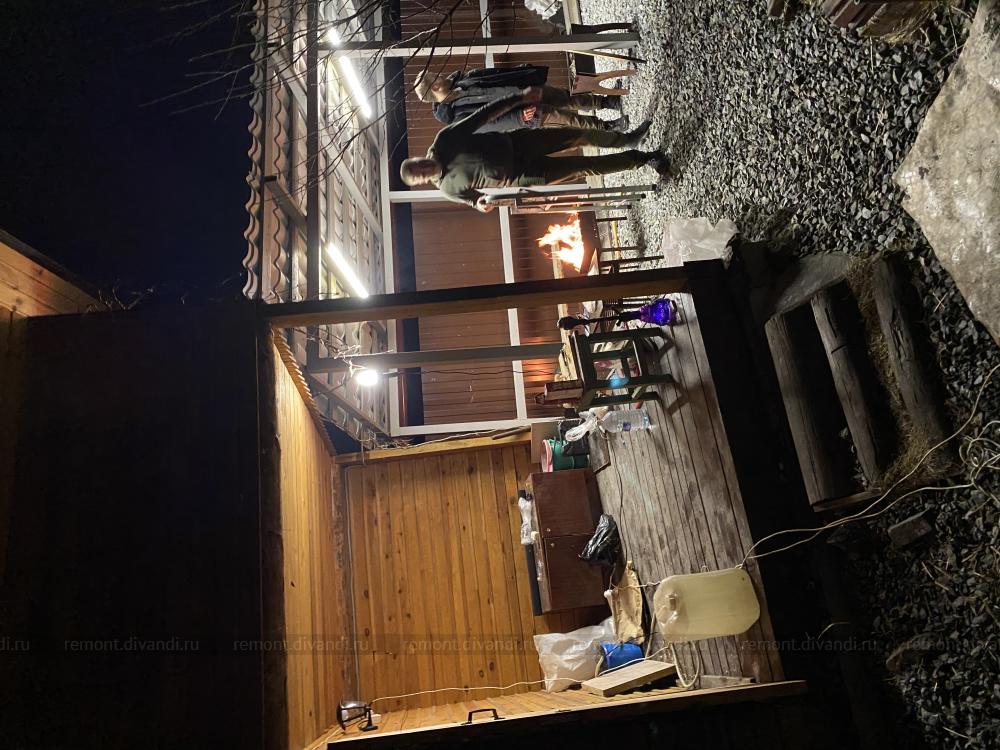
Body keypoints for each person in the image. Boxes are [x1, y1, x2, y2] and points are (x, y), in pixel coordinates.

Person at [400, 87, 669, 212]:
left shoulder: (445, 140)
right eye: (421, 175)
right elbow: (473, 200)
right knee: (584, 168)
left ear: (419, 158)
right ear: (422, 182)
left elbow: (483, 116)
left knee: (576, 136)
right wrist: (480, 204)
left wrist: (517, 98)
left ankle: (627, 140)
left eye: (419, 164)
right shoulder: (448, 189)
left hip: (519, 143)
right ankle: (644, 159)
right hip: (522, 175)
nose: (425, 170)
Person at [415, 64, 626, 134]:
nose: (440, 74)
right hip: (523, 112)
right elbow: (489, 124)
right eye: (436, 76)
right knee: (566, 118)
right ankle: (607, 127)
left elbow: (496, 76)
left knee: (564, 97)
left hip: (524, 90)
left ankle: (605, 102)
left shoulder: (462, 81)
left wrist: (522, 74)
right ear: (435, 87)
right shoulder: (457, 115)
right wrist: (519, 118)